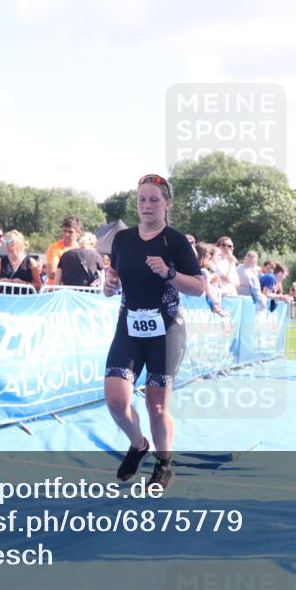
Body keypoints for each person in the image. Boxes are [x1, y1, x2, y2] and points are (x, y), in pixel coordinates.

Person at [102, 174, 202, 490]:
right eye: (142, 199)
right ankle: (138, 444)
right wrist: (109, 284)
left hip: (166, 331)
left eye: (154, 199)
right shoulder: (122, 239)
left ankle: (164, 463)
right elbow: (115, 274)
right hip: (129, 327)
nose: (146, 205)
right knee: (116, 400)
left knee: (157, 406)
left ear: (167, 203)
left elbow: (199, 288)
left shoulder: (176, 242)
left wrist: (170, 273)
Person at [46, 216, 80, 286]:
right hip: (56, 290)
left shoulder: (81, 248)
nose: (66, 234)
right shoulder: (54, 247)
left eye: (70, 232)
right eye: (64, 231)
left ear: (78, 233)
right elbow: (52, 273)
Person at [194, 242, 226, 315]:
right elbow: (208, 291)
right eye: (208, 255)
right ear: (203, 256)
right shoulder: (204, 272)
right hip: (202, 307)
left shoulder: (203, 271)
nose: (210, 257)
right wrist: (216, 302)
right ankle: (217, 308)